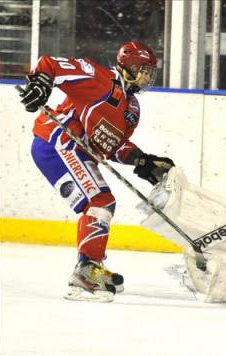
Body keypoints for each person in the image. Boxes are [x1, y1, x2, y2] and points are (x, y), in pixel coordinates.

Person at [19, 41, 175, 302]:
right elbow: (50, 64)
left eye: (150, 71)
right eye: (141, 69)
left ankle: (91, 265)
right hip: (58, 142)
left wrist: (142, 160)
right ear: (126, 66)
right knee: (99, 201)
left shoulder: (131, 109)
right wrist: (40, 83)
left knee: (102, 202)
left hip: (77, 149)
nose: (146, 76)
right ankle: (85, 272)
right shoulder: (100, 79)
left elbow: (111, 145)